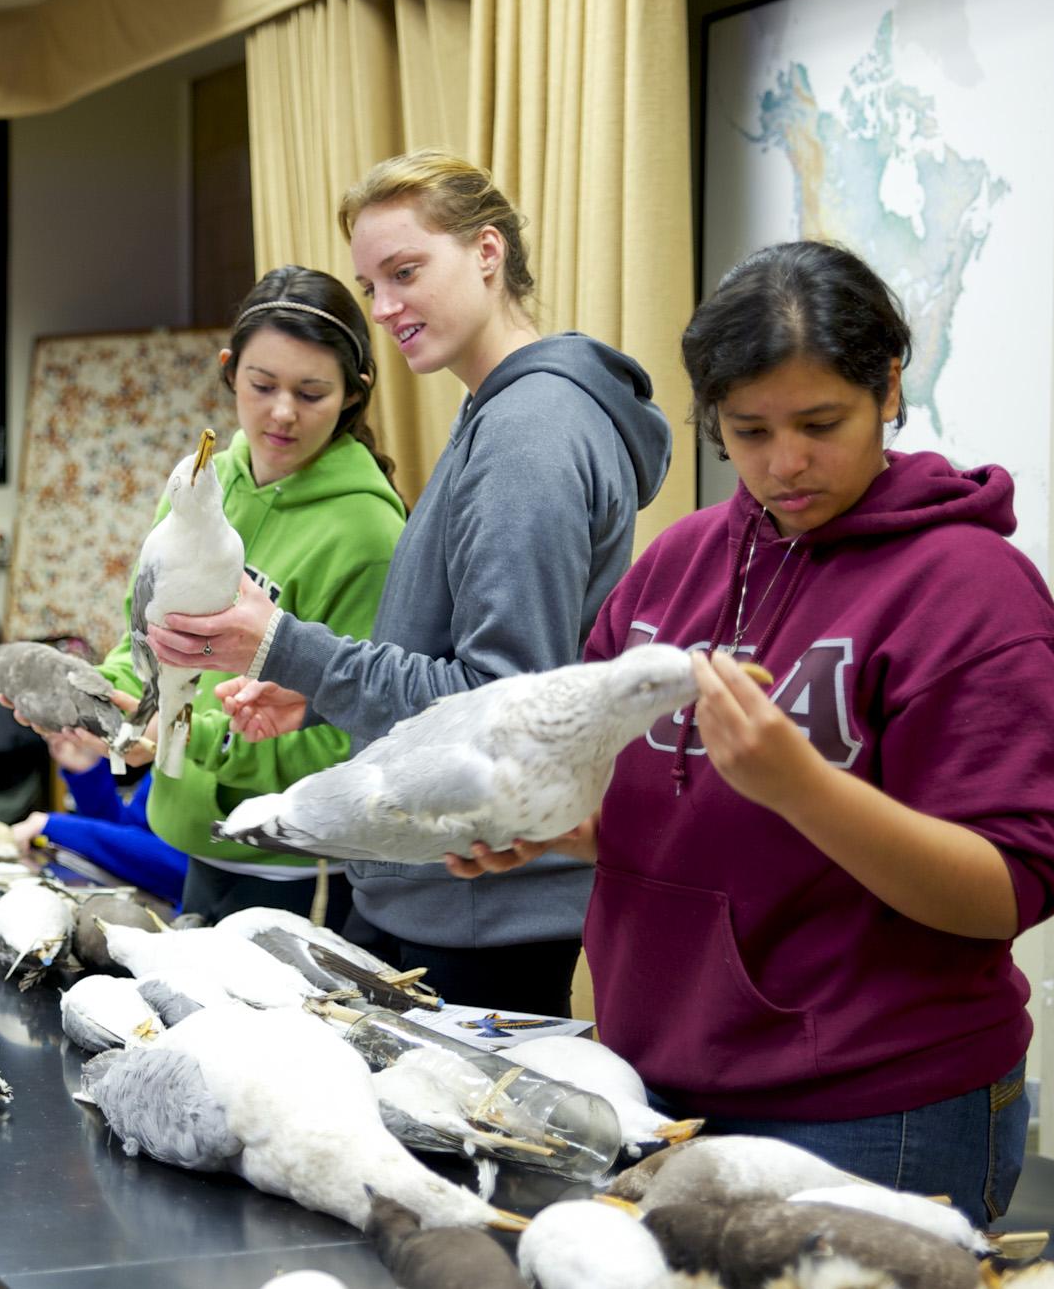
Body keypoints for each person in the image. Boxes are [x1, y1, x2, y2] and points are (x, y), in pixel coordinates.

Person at [452, 240, 1054, 1224]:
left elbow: (1007, 888)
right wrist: (556, 830)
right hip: (655, 1084)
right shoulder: (677, 565)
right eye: (747, 431)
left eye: (819, 423)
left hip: (873, 1105)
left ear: (887, 386)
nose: (783, 463)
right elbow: (662, 817)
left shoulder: (969, 591)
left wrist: (801, 786)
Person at [162, 152, 672, 1011]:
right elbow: (451, 665)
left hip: (478, 908)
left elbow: (497, 701)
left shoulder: (529, 436)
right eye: (371, 284)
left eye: (405, 272)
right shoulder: (497, 411)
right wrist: (316, 691)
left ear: (486, 252)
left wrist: (286, 644)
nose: (387, 307)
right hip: (446, 894)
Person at [27, 265, 406, 922]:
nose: (281, 411)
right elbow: (144, 638)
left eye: (311, 393)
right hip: (190, 840)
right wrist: (100, 698)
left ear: (353, 393)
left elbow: (351, 734)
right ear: (229, 370)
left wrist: (177, 737)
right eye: (262, 385)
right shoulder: (202, 484)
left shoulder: (369, 531)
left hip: (297, 863)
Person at [12, 731, 186, 905]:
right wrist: (88, 773)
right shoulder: (179, 750)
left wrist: (55, 827)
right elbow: (130, 834)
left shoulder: (199, 744)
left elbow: (189, 870)